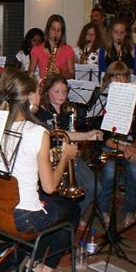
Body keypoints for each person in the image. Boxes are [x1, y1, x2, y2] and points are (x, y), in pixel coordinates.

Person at [0, 68, 79, 272]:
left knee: (55, 205)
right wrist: (65, 156)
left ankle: (34, 262)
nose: (40, 94)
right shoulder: (38, 132)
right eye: (38, 91)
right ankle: (46, 269)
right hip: (23, 218)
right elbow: (50, 187)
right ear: (30, 97)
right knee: (72, 209)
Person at [36, 74, 103, 223]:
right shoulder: (40, 113)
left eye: (64, 91)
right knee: (59, 194)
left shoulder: (68, 111)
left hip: (69, 157)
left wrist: (89, 137)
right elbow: (59, 134)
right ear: (47, 92)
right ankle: (66, 219)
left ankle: (75, 216)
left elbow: (71, 134)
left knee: (95, 187)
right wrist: (86, 135)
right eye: (56, 91)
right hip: (49, 159)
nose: (61, 95)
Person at [96, 62, 136, 226]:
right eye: (115, 76)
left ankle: (129, 210)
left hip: (130, 144)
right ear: (109, 79)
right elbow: (103, 136)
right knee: (109, 172)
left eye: (123, 76)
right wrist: (123, 147)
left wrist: (134, 147)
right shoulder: (103, 100)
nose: (119, 79)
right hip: (109, 144)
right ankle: (103, 209)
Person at [28, 14, 75, 80]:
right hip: (44, 85)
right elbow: (30, 73)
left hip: (61, 85)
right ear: (48, 30)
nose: (56, 33)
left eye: (59, 30)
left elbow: (72, 75)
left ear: (62, 33)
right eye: (53, 29)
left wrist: (61, 72)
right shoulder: (36, 50)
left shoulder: (68, 49)